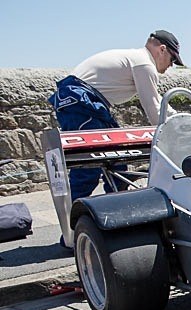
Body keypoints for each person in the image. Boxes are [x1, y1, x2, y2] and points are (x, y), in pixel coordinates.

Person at [48, 30, 183, 203]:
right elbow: (155, 113)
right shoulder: (144, 63)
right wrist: (180, 131)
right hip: (81, 100)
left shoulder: (137, 59)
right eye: (172, 59)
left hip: (86, 102)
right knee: (88, 168)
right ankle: (72, 226)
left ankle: (116, 207)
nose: (171, 65)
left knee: (118, 161)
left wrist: (182, 117)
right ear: (162, 49)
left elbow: (158, 104)